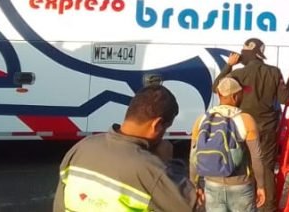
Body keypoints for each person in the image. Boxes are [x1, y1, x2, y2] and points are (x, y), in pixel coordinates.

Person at [54, 85, 197, 211]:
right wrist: (169, 165)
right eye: (165, 128)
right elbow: (192, 206)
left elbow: (60, 205)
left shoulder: (81, 147)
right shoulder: (150, 169)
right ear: (157, 124)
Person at [218, 38, 289, 211]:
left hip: (243, 126)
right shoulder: (274, 72)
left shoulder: (237, 74)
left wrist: (229, 66)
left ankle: (246, 204)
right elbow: (284, 99)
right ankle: (269, 207)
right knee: (266, 167)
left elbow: (217, 88)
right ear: (260, 54)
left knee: (242, 165)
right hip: (267, 127)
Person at [190, 77, 266, 212]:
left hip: (212, 185)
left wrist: (195, 185)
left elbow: (193, 157)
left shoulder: (201, 120)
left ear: (219, 94)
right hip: (241, 186)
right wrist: (261, 186)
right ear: (236, 96)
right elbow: (256, 158)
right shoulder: (245, 120)